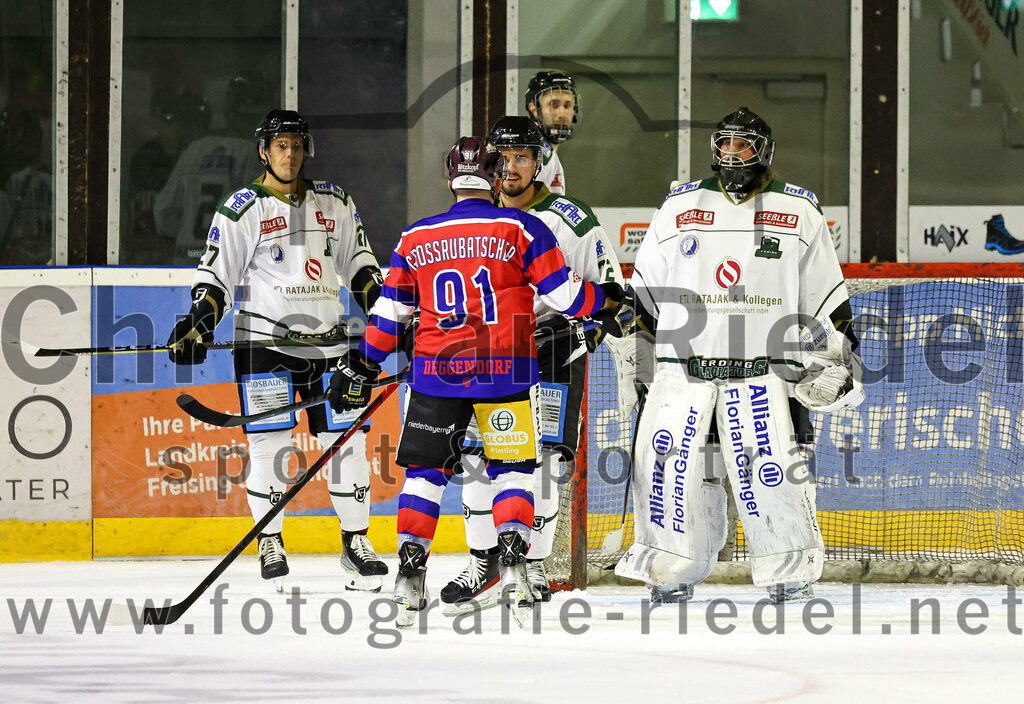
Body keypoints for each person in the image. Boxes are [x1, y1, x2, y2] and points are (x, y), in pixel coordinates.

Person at [327, 136, 625, 627]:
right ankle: (512, 570)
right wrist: (608, 302)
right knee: (511, 472)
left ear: (450, 178)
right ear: (493, 173)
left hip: (436, 373)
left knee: (425, 477)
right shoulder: (522, 228)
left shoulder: (415, 237)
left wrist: (362, 366)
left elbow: (389, 314)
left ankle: (409, 578)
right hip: (505, 372)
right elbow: (567, 296)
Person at [616, 107, 862, 604]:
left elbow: (826, 301)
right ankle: (674, 570)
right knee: (678, 475)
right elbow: (643, 300)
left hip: (769, 376)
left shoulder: (799, 212)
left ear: (764, 151)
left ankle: (787, 568)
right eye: (725, 144)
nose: (732, 154)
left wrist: (838, 359)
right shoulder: (679, 208)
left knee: (776, 474)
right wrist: (640, 372)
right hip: (687, 376)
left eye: (743, 145)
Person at [166, 109, 389, 592]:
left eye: (297, 144)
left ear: (306, 150)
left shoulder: (335, 201)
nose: (290, 153)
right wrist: (198, 323)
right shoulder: (242, 208)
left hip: (332, 345)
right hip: (265, 346)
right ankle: (271, 541)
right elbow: (215, 277)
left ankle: (356, 543)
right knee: (269, 447)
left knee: (346, 446)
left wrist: (389, 316)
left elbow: (362, 267)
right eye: (280, 145)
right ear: (264, 151)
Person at [439, 116, 628, 613]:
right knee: (478, 460)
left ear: (539, 162)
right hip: (489, 357)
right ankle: (484, 561)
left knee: (545, 463)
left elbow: (614, 299)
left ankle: (534, 564)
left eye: (523, 156)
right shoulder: (473, 217)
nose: (511, 167)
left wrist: (583, 329)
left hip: (553, 356)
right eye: (503, 158)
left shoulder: (573, 218)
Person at [155, 72, 272, 264]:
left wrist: (194, 236)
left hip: (185, 262)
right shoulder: (256, 154)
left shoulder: (195, 149)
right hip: (229, 264)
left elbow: (163, 215)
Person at [124, 90, 212, 263]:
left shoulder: (199, 157)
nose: (182, 130)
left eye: (197, 124)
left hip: (186, 251)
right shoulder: (147, 156)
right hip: (146, 248)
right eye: (181, 122)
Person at [524, 71, 580, 195]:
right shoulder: (532, 153)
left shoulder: (547, 152)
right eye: (553, 105)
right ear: (533, 108)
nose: (562, 114)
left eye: (567, 105)